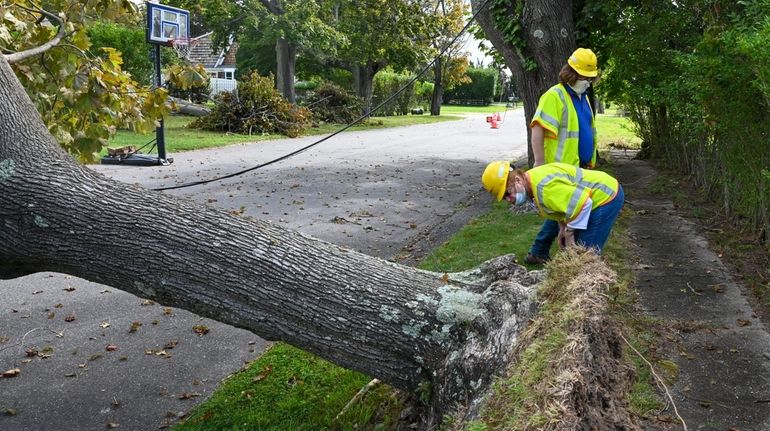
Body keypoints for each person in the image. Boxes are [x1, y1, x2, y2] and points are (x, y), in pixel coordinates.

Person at [526, 47, 600, 264]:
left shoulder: (582, 97)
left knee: (566, 209)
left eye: (590, 78)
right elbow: (537, 129)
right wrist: (539, 162)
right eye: (584, 77)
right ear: (572, 73)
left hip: (579, 165)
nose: (587, 82)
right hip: (560, 166)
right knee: (566, 209)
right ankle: (544, 251)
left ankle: (540, 251)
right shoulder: (554, 96)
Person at [481, 161, 624, 255]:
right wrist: (562, 227)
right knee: (576, 250)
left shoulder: (544, 189)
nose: (509, 200)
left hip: (605, 196)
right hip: (595, 196)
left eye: (508, 193)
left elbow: (583, 202)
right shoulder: (531, 181)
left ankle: (589, 294)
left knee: (586, 253)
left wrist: (569, 232)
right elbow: (562, 206)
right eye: (504, 198)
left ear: (517, 180)